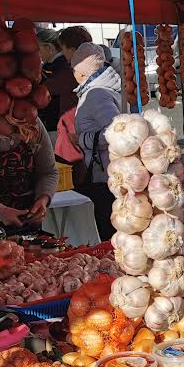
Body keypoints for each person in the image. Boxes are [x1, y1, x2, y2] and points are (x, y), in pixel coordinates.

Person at [72, 43, 121, 239]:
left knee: (107, 226)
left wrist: (82, 139)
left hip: (105, 175)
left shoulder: (96, 94)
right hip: (104, 171)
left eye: (73, 69)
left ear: (81, 73)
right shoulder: (95, 90)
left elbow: (116, 131)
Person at [37, 28, 77, 138]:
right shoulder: (54, 65)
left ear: (49, 47)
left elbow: (47, 89)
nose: (37, 53)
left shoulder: (58, 67)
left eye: (38, 49)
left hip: (57, 123)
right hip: (57, 122)